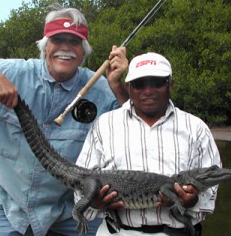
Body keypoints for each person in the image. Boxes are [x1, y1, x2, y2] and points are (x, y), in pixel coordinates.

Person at [0, 4, 129, 236]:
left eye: (74, 42)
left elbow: (136, 132)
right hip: (6, 208)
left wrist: (118, 86)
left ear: (84, 50)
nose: (66, 48)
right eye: (58, 40)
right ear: (45, 46)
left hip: (71, 209)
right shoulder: (11, 72)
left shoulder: (102, 87)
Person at [75, 52, 222, 236]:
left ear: (171, 84)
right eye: (139, 84)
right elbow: (81, 185)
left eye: (157, 82)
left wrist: (192, 201)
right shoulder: (105, 125)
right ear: (129, 87)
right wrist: (94, 203)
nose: (148, 90)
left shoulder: (196, 128)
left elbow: (210, 195)